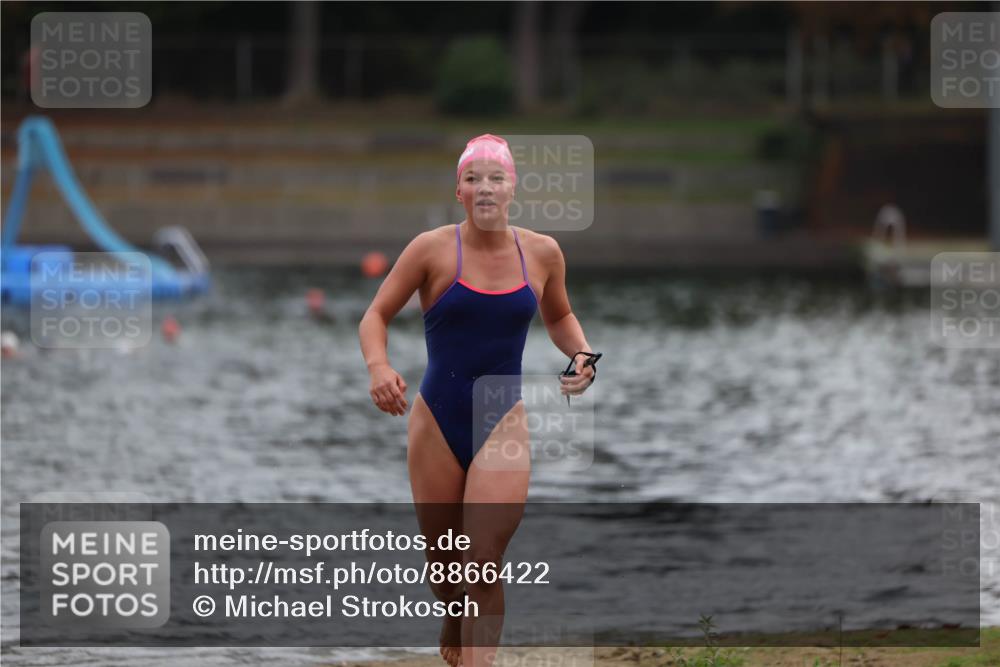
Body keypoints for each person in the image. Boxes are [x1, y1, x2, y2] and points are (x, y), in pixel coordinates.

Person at [358, 134, 596, 667]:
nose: (484, 187)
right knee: (446, 568)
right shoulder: (431, 249)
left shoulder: (542, 252)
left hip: (502, 419)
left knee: (483, 561)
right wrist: (379, 368)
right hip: (435, 420)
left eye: (495, 178)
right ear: (458, 191)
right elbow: (374, 316)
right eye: (473, 178)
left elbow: (559, 317)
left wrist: (583, 356)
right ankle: (454, 611)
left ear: (513, 188)